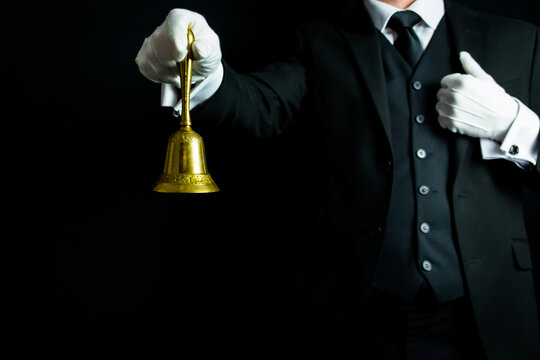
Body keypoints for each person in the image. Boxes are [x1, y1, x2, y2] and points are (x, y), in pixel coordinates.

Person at [135, 0, 540, 358]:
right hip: (353, 320)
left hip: (485, 316)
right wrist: (201, 73)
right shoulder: (316, 41)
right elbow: (260, 103)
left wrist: (515, 127)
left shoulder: (518, 39)